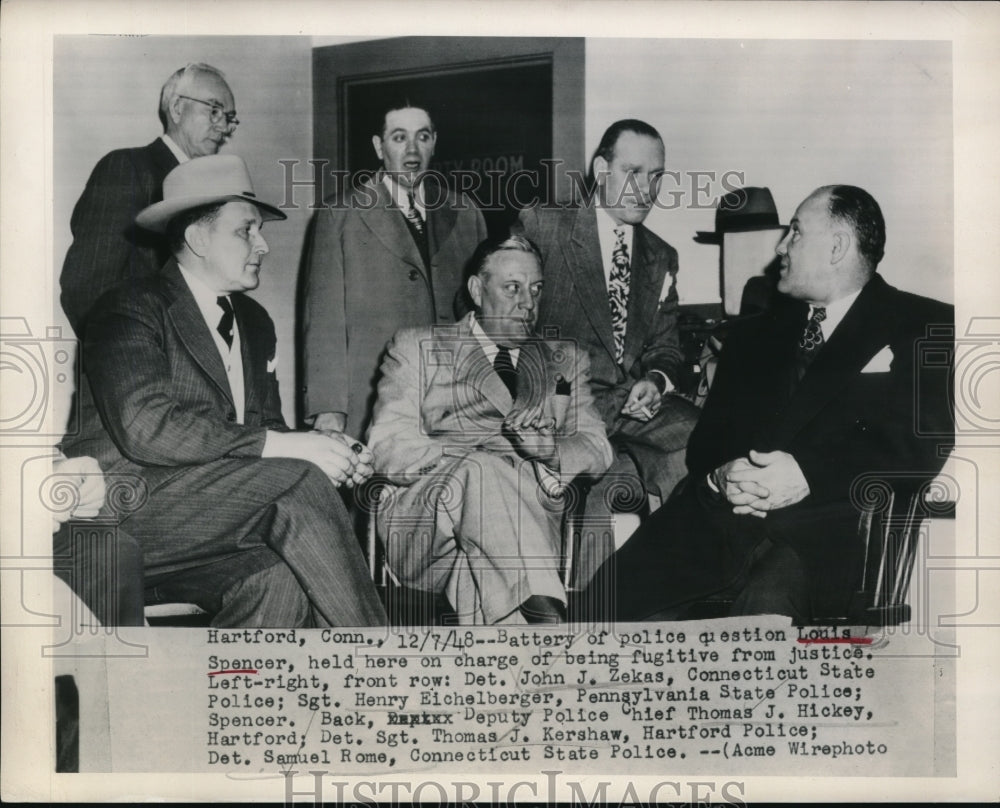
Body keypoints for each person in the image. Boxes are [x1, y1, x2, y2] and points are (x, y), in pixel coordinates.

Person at [577, 185, 954, 623]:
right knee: (593, 619)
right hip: (715, 526)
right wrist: (721, 474)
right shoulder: (753, 334)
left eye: (795, 232)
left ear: (837, 247)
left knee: (758, 635)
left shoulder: (924, 324)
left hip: (823, 537)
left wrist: (809, 474)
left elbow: (920, 445)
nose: (780, 247)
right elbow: (706, 443)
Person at [60, 154, 386, 627]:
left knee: (279, 577)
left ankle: (222, 698)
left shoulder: (254, 322)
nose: (263, 246)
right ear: (197, 238)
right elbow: (144, 428)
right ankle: (384, 663)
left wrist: (327, 446)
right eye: (246, 230)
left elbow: (264, 429)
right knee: (297, 478)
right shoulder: (129, 307)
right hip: (119, 511)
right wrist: (292, 449)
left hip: (207, 518)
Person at [367, 236, 612, 625]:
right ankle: (549, 617)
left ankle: (535, 645)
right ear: (477, 291)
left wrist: (551, 453)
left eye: (536, 289)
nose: (528, 303)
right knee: (481, 471)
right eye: (512, 288)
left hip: (517, 535)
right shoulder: (418, 346)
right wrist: (471, 461)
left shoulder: (564, 360)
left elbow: (597, 446)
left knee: (484, 579)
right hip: (428, 529)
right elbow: (387, 444)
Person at [517, 118, 701, 583]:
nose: (646, 189)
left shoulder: (661, 256)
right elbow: (486, 305)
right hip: (564, 403)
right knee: (607, 484)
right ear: (601, 169)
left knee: (701, 443)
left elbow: (666, 345)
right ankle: (591, 608)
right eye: (633, 172)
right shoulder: (545, 226)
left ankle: (683, 585)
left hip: (632, 407)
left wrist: (656, 380)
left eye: (656, 176)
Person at [301, 101, 487, 440]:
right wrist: (329, 412)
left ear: (435, 142)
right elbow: (324, 322)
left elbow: (484, 316)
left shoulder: (466, 213)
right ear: (378, 146)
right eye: (399, 138)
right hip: (375, 400)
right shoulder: (339, 216)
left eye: (423, 137)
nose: (413, 150)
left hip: (453, 404)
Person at [60, 63, 238, 335]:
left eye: (229, 117)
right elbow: (85, 289)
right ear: (178, 108)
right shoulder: (126, 168)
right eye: (214, 110)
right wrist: (130, 362)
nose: (223, 126)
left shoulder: (211, 191)